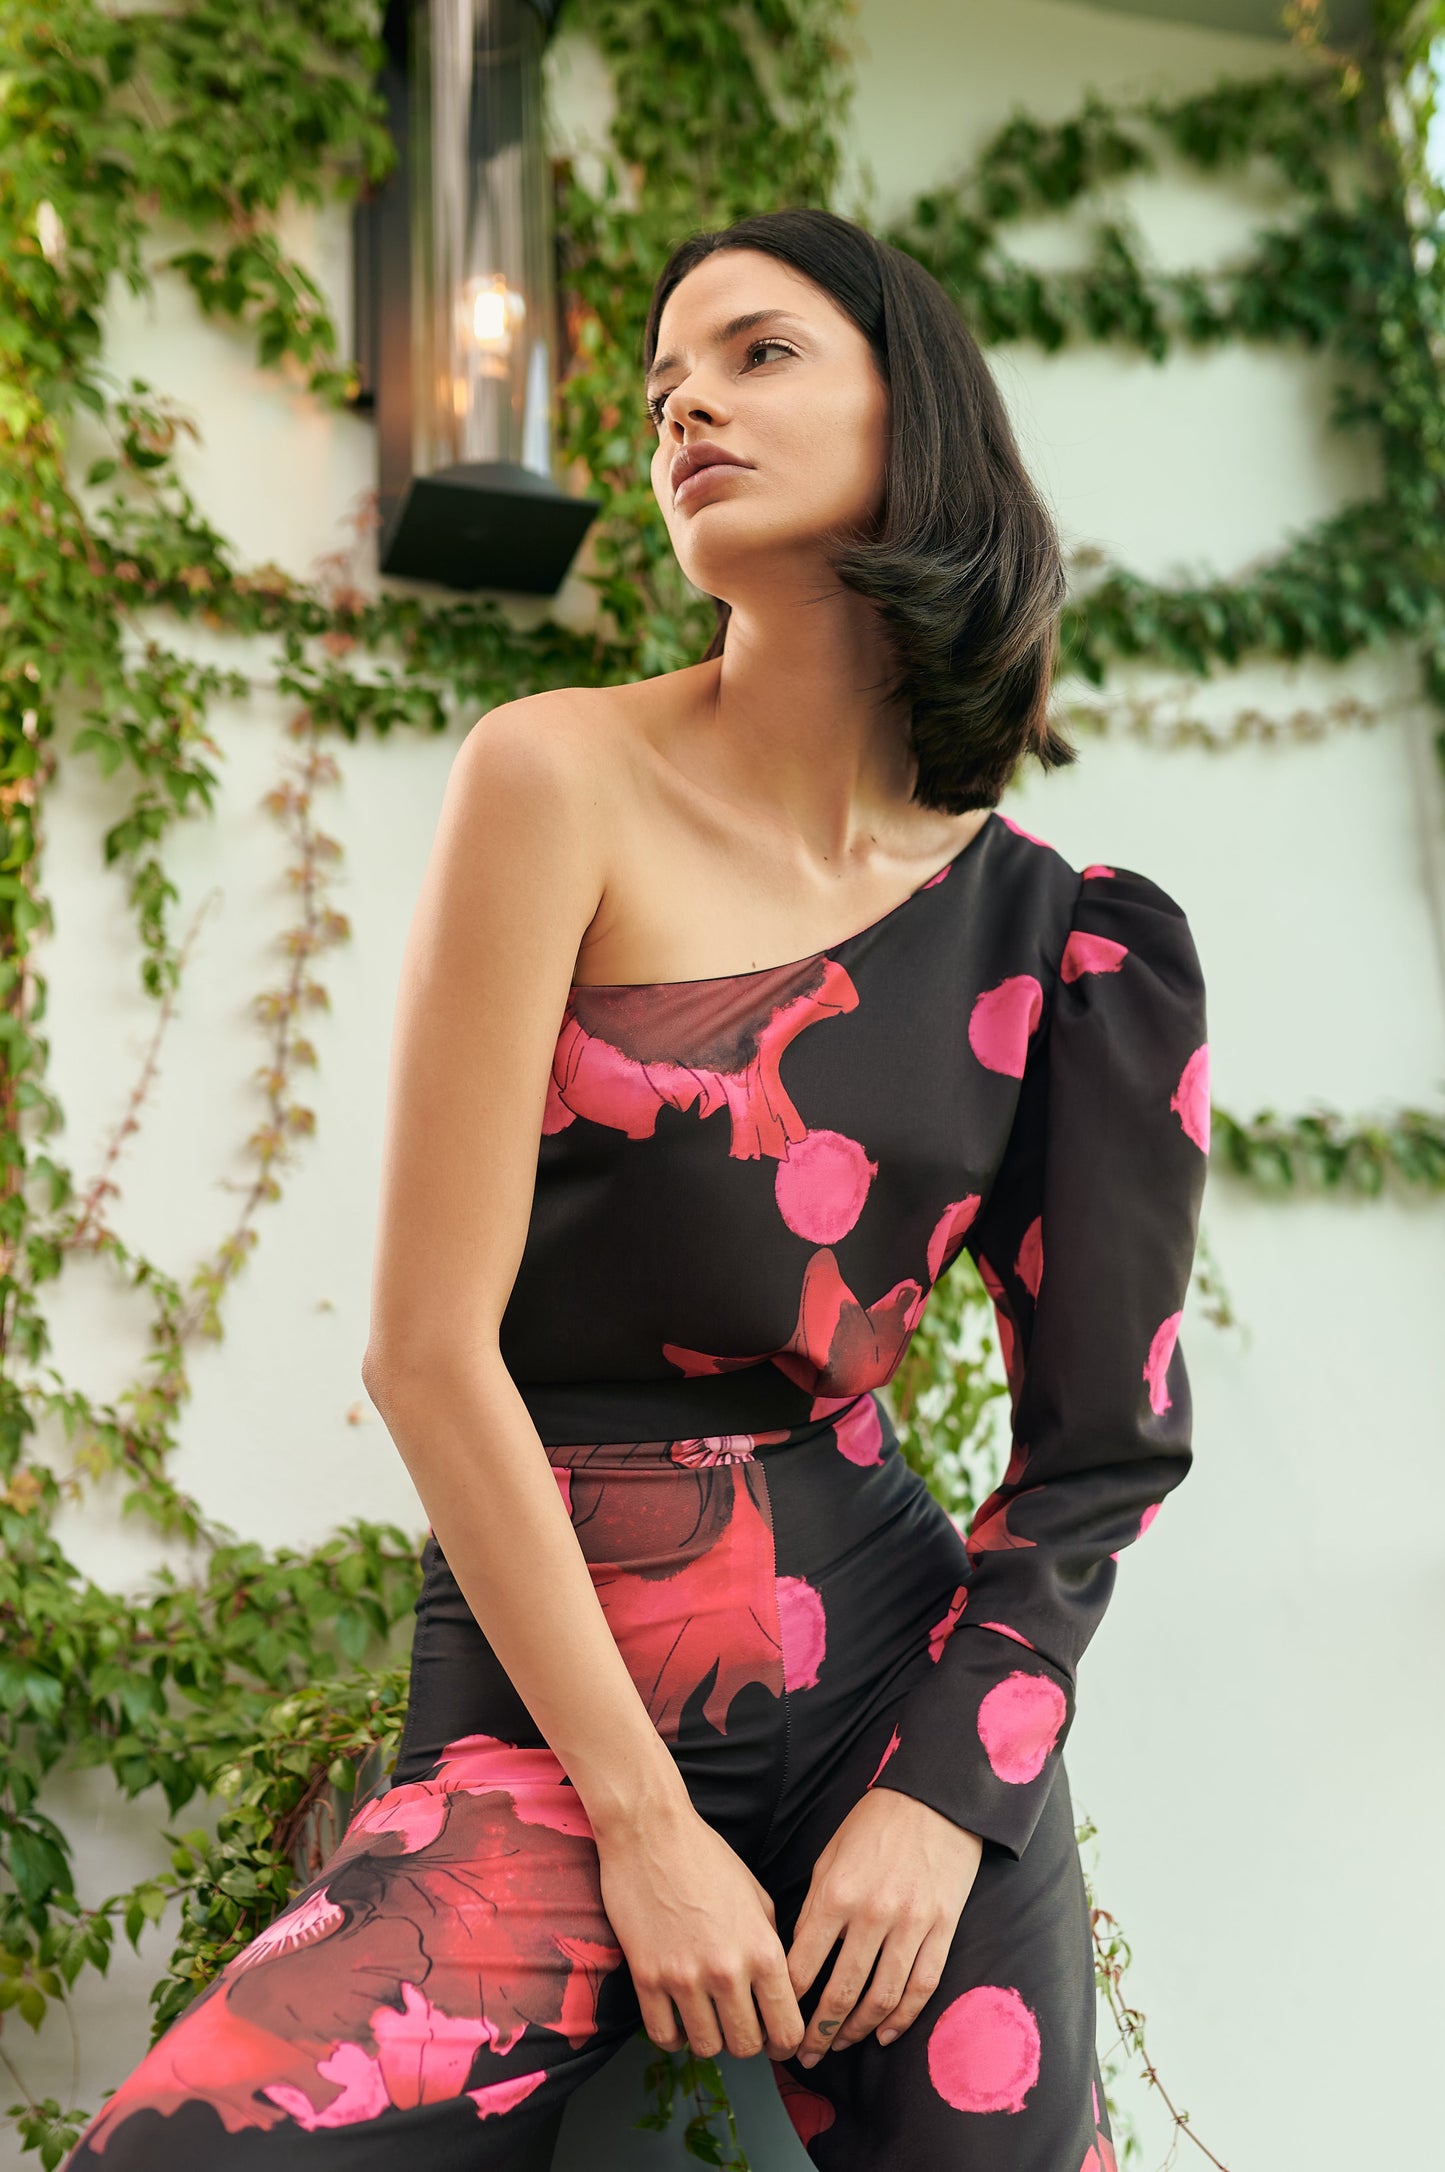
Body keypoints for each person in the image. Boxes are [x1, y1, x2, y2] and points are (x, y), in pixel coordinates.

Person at [67, 205, 1209, 2171]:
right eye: (669, 376)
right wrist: (645, 1825)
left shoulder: (1071, 942)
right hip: (543, 1716)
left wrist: (946, 1799)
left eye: (758, 354)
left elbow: (1098, 1452)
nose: (686, 400)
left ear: (911, 414)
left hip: (890, 1693)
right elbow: (430, 1356)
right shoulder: (553, 780)